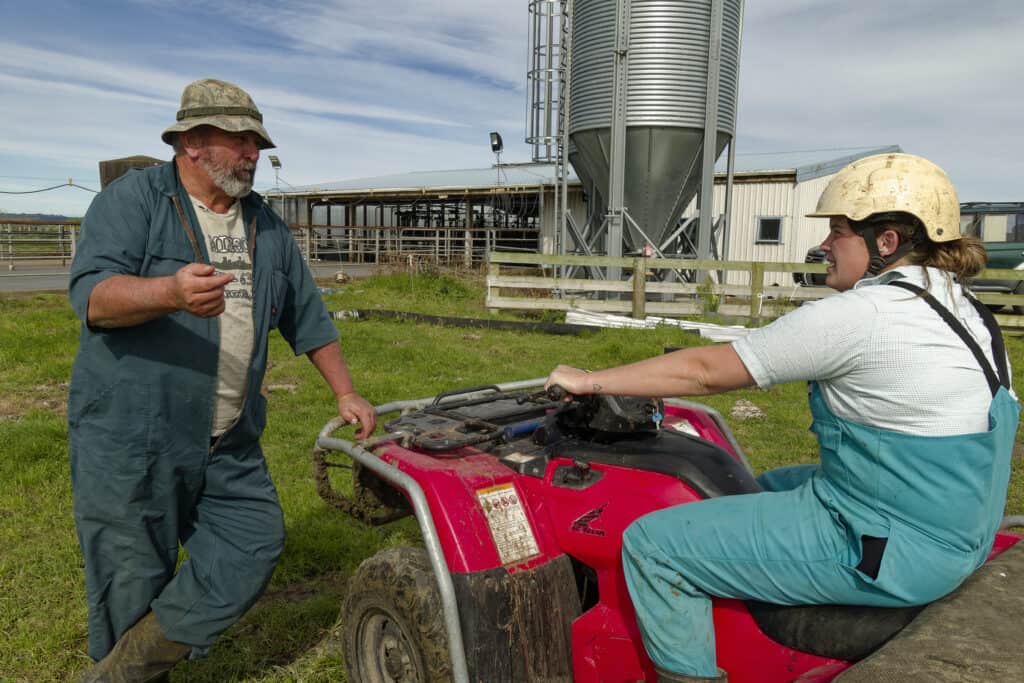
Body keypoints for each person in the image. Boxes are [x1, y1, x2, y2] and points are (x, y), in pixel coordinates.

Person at [546, 153, 1018, 682]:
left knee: (653, 546)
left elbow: (705, 372)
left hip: (896, 549)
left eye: (837, 231)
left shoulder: (864, 315)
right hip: (953, 523)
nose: (823, 246)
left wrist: (589, 381)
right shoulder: (962, 305)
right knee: (756, 485)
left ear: (886, 242)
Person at [68, 78, 377, 681]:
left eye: (256, 142)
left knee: (253, 542)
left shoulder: (265, 226)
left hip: (227, 438)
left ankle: (124, 668)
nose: (252, 154)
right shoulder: (134, 201)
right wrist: (169, 292)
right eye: (239, 140)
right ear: (192, 142)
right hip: (134, 435)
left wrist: (344, 390)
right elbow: (93, 298)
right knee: (130, 572)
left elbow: (307, 317)